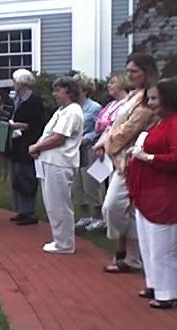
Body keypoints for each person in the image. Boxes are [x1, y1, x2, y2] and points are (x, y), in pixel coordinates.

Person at [94, 53, 159, 273]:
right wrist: (103, 142)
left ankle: (127, 250)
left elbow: (129, 129)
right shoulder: (132, 95)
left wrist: (108, 143)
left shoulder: (147, 99)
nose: (129, 75)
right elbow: (114, 125)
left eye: (134, 71)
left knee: (113, 206)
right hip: (120, 160)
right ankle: (130, 256)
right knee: (124, 209)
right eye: (128, 70)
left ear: (146, 72)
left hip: (133, 160)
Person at [127, 77, 177, 309]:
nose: (150, 103)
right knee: (148, 244)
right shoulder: (158, 123)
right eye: (149, 98)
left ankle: (169, 292)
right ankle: (154, 283)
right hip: (147, 193)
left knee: (164, 247)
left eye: (155, 98)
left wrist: (147, 158)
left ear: (169, 98)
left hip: (165, 193)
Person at [29, 77, 84, 254]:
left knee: (59, 203)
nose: (55, 94)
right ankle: (59, 238)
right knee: (52, 203)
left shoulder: (73, 111)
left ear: (69, 92)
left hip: (60, 162)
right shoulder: (62, 110)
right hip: (50, 161)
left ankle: (65, 243)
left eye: (58, 91)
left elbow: (59, 137)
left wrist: (37, 146)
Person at [8, 69, 46, 226]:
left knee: (27, 177)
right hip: (16, 142)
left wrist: (21, 125)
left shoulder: (34, 101)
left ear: (22, 83)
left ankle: (29, 211)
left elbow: (38, 124)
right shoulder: (18, 99)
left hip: (28, 142)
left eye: (15, 82)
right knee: (17, 175)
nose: (14, 85)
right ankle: (21, 210)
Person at [72, 73, 105, 231]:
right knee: (77, 184)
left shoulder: (95, 107)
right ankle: (84, 215)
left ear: (84, 90)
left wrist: (86, 137)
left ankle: (99, 217)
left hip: (90, 148)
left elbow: (101, 130)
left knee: (91, 183)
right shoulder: (72, 108)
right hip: (74, 150)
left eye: (76, 89)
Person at [0, 87, 15, 182]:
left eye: (2, 93)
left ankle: (10, 174)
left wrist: (3, 111)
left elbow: (12, 116)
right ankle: (3, 172)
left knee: (8, 150)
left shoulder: (11, 102)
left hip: (8, 126)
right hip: (1, 125)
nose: (1, 95)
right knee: (1, 151)